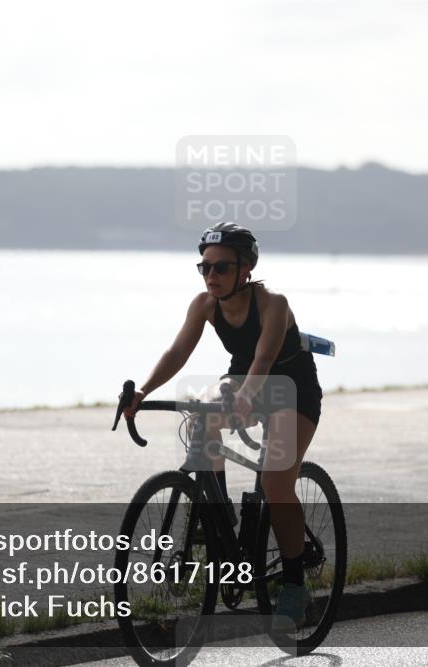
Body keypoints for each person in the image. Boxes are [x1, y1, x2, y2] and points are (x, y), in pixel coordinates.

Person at [122, 221, 324, 631]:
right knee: (201, 412)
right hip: (242, 377)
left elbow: (264, 361)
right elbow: (178, 351)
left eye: (222, 268)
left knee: (275, 483)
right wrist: (142, 392)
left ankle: (294, 583)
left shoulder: (273, 303)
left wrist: (245, 401)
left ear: (246, 269)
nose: (211, 276)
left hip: (292, 387)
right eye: (205, 268)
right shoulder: (204, 304)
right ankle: (220, 521)